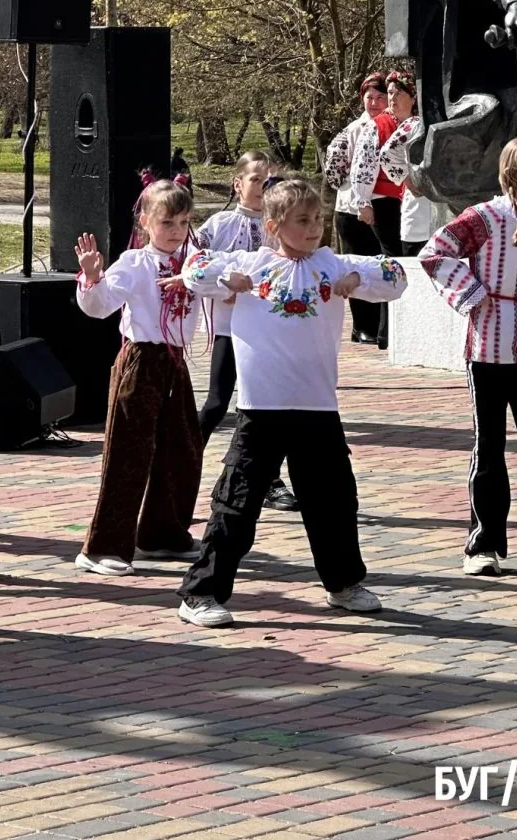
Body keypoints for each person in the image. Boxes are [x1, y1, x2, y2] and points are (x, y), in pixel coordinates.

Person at [173, 179, 408, 627]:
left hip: (318, 407)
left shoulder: (332, 265)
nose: (314, 227)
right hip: (261, 408)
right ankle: (201, 592)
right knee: (237, 503)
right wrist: (227, 279)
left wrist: (359, 279)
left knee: (335, 501)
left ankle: (343, 584)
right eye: (302, 220)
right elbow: (194, 267)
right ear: (275, 225)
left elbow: (395, 275)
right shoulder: (252, 264)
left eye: (317, 218)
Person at [420, 136, 517, 578]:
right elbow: (435, 253)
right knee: (488, 445)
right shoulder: (484, 218)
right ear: (513, 176)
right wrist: (473, 294)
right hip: (488, 345)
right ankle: (483, 544)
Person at [73, 180, 203, 576]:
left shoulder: (195, 261)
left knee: (182, 448)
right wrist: (92, 278)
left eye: (183, 222)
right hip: (141, 359)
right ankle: (103, 546)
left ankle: (161, 533)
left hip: (175, 362)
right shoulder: (134, 262)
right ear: (145, 221)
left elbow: (220, 289)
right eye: (167, 222)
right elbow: (100, 306)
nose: (176, 230)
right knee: (128, 452)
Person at [196, 151, 297, 512]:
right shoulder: (219, 225)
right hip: (229, 326)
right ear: (238, 183)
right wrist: (223, 285)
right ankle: (181, 465)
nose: (262, 187)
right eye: (255, 179)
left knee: (265, 405)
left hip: (267, 329)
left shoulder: (282, 226)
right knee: (217, 401)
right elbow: (193, 266)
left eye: (270, 180)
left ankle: (269, 480)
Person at [351, 71, 421, 347]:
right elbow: (365, 166)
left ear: (412, 98)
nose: (391, 99)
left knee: (403, 260)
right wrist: (363, 202)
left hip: (404, 203)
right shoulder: (378, 125)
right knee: (395, 263)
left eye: (396, 93)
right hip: (382, 201)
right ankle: (388, 333)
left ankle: (392, 331)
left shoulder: (414, 123)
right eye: (389, 93)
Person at [324, 72, 388, 344]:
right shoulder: (353, 130)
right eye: (369, 97)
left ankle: (380, 325)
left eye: (380, 97)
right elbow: (334, 171)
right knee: (355, 264)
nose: (373, 103)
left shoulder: (395, 126)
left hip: (383, 208)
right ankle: (361, 325)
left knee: (378, 265)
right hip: (352, 210)